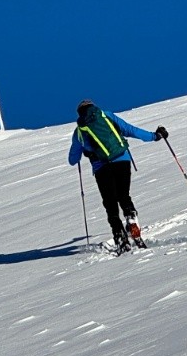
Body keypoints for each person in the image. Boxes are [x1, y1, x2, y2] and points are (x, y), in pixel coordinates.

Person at [68, 100, 168, 252]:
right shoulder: (107, 116)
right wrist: (155, 136)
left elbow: (72, 160)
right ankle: (131, 218)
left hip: (101, 167)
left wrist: (84, 150)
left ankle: (119, 234)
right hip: (122, 159)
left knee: (110, 203)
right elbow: (130, 130)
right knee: (123, 195)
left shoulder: (80, 131)